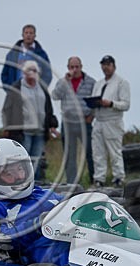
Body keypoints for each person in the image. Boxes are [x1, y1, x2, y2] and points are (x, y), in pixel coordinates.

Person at [0, 138, 69, 266]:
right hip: (40, 253)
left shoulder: (44, 194)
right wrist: (38, 224)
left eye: (20, 169)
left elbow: (73, 205)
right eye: (9, 173)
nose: (19, 177)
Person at [1, 60, 57, 182]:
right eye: (28, 70)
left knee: (36, 159)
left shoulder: (42, 88)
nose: (31, 73)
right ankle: (22, 183)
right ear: (23, 73)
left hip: (40, 130)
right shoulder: (16, 88)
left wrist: (52, 125)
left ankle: (36, 185)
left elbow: (48, 108)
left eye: (34, 70)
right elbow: (6, 109)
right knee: (23, 160)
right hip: (23, 130)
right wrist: (6, 127)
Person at [51, 56, 96, 184]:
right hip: (68, 122)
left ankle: (94, 180)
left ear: (81, 67)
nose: (74, 70)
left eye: (77, 67)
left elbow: (95, 100)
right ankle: (73, 183)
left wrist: (91, 116)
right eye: (72, 67)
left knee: (90, 152)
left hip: (84, 121)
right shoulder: (63, 82)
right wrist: (65, 81)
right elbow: (55, 95)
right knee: (70, 155)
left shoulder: (91, 82)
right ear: (68, 68)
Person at [90, 55, 130, 188]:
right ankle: (99, 178)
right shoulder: (99, 83)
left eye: (108, 64)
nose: (105, 67)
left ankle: (118, 177)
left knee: (114, 151)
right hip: (99, 120)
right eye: (103, 64)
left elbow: (126, 104)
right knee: (98, 152)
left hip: (112, 120)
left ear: (113, 66)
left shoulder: (121, 82)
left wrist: (111, 103)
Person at [0, 24, 52, 88]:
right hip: (16, 91)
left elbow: (48, 74)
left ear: (35, 36)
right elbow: (5, 74)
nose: (28, 35)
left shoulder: (41, 54)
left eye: (31, 33)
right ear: (22, 35)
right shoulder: (12, 54)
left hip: (34, 92)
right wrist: (10, 89)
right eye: (26, 33)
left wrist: (41, 89)